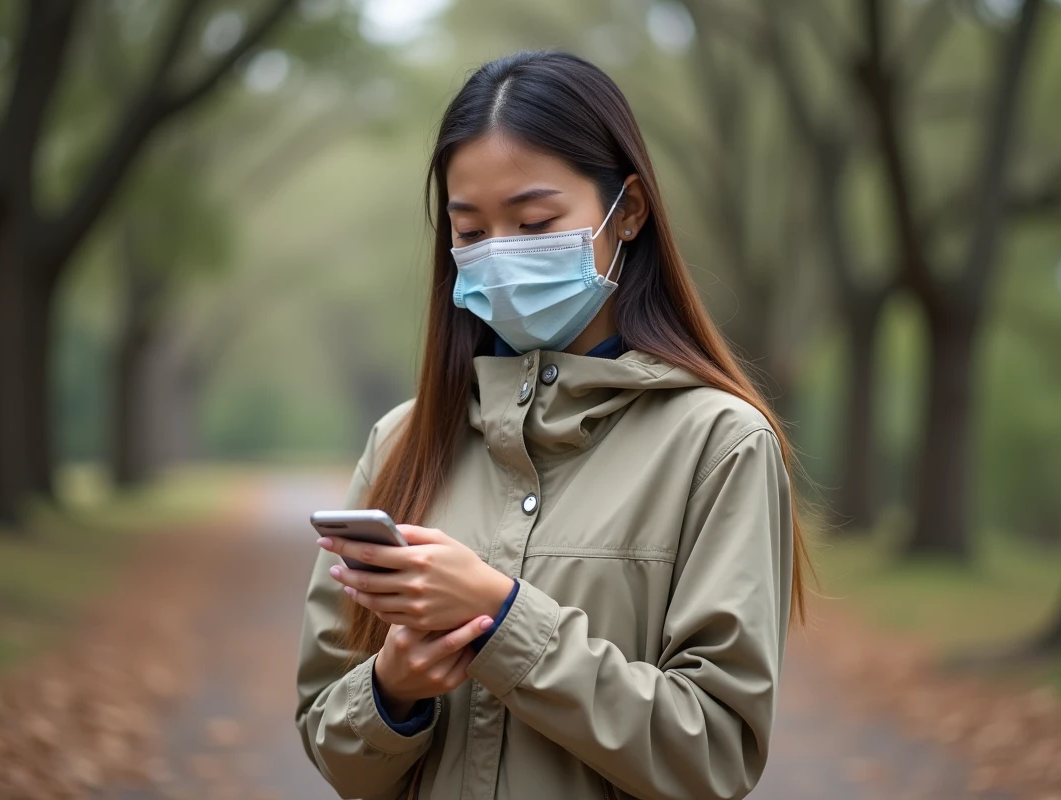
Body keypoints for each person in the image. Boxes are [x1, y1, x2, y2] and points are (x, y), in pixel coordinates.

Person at [295, 50, 811, 800]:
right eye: (471, 232)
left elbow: (713, 754)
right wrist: (392, 690)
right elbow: (330, 744)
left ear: (628, 210)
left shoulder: (720, 445)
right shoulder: (401, 443)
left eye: (534, 222)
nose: (501, 255)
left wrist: (502, 619)